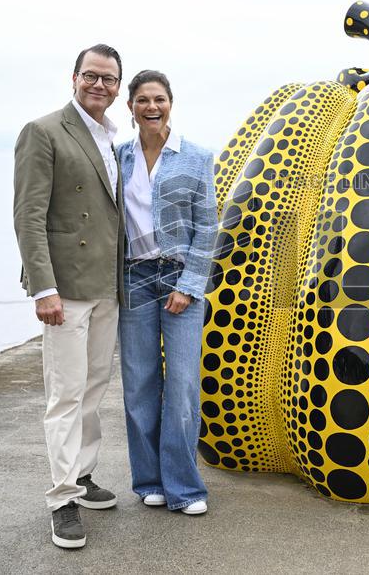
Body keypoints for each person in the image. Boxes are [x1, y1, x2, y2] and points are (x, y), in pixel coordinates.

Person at [13, 44, 125, 549]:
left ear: (118, 87)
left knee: (95, 388)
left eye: (109, 79)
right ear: (74, 78)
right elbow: (28, 216)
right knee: (65, 394)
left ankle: (81, 476)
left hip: (106, 285)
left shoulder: (112, 137)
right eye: (92, 76)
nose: (99, 85)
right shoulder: (43, 131)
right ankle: (61, 499)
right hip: (65, 289)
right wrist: (43, 289)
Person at [117, 70, 218, 515]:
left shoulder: (195, 157)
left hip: (179, 278)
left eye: (158, 99)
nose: (151, 107)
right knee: (139, 384)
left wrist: (190, 285)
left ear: (170, 104)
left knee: (181, 386)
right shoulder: (117, 156)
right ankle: (149, 481)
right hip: (134, 279)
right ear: (131, 107)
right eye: (142, 100)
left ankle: (185, 487)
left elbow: (209, 227)